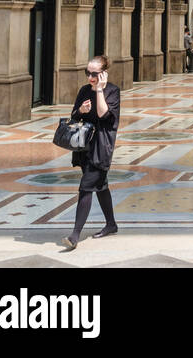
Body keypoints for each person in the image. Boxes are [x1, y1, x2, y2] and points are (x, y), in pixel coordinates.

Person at [61, 55, 120, 250]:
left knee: (86, 188)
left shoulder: (112, 91)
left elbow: (104, 115)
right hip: (84, 147)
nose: (90, 78)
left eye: (94, 74)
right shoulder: (84, 91)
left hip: (101, 148)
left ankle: (75, 235)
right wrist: (81, 110)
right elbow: (74, 115)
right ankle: (111, 224)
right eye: (88, 73)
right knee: (100, 186)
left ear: (103, 74)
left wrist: (100, 90)